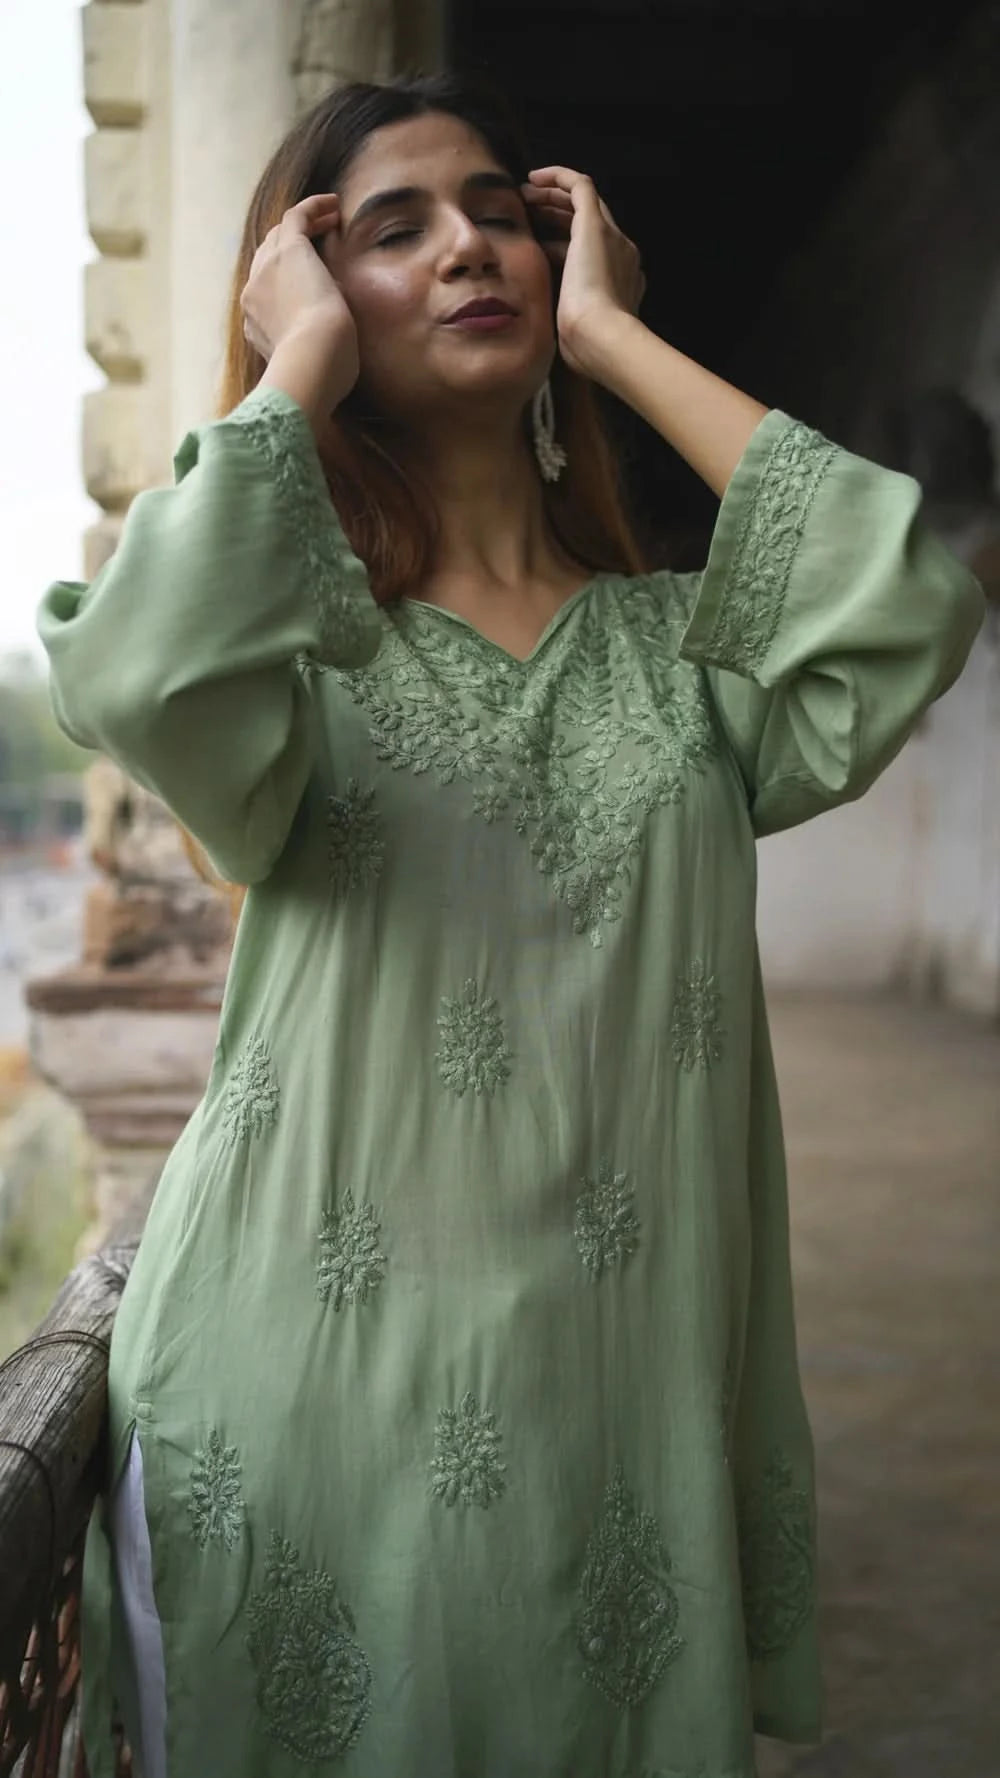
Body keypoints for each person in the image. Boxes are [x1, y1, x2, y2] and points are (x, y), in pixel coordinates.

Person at [38, 72, 984, 1778]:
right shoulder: (293, 654)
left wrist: (614, 339)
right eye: (390, 232)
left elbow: (904, 591)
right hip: (301, 1415)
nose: (468, 250)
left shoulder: (687, 657)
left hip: (618, 1431)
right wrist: (292, 365)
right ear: (313, 288)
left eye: (500, 216)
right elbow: (129, 667)